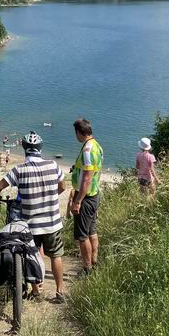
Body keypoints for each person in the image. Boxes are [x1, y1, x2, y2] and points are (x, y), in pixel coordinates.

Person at [0, 131, 68, 303]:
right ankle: (60, 292)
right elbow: (63, 186)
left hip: (30, 225)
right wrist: (52, 195)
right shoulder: (53, 165)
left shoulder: (19, 170)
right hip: (52, 222)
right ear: (40, 148)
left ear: (23, 147)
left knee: (32, 254)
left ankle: (36, 291)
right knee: (55, 256)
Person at [70, 118, 103, 276]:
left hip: (85, 196)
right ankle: (94, 261)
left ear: (79, 132)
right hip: (94, 193)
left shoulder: (87, 150)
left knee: (82, 236)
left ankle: (87, 268)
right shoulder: (97, 145)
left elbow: (87, 177)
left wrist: (77, 201)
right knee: (91, 231)